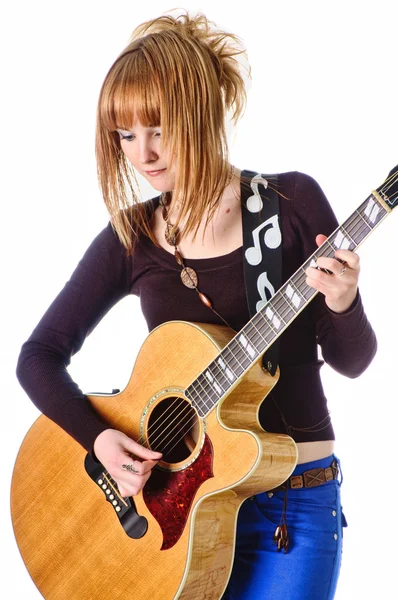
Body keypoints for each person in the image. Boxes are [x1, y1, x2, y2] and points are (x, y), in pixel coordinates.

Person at [16, 9, 376, 600]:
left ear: (199, 113)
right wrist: (99, 440)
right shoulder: (131, 239)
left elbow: (354, 362)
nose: (142, 153)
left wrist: (343, 301)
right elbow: (39, 356)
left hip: (293, 508)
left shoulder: (291, 201)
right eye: (125, 135)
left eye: (157, 128)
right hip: (174, 524)